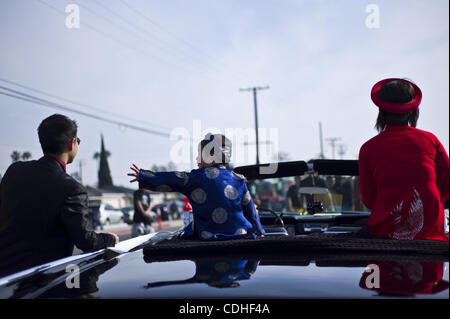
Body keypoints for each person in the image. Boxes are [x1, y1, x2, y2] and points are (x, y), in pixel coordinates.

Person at [0, 114, 118, 277]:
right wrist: (110, 240)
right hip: (40, 282)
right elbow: (86, 241)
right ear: (72, 143)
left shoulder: (14, 171)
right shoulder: (72, 188)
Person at [358, 78, 449, 241]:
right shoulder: (430, 140)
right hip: (431, 230)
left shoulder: (368, 148)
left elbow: (369, 200)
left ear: (381, 111)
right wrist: (427, 203)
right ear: (413, 110)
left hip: (385, 232)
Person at [128, 133, 265, 240]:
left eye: (200, 154)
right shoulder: (239, 179)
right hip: (240, 235)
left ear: (211, 155)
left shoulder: (195, 178)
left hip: (208, 236)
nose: (196, 158)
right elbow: (251, 212)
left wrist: (143, 176)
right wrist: (259, 232)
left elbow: (170, 179)